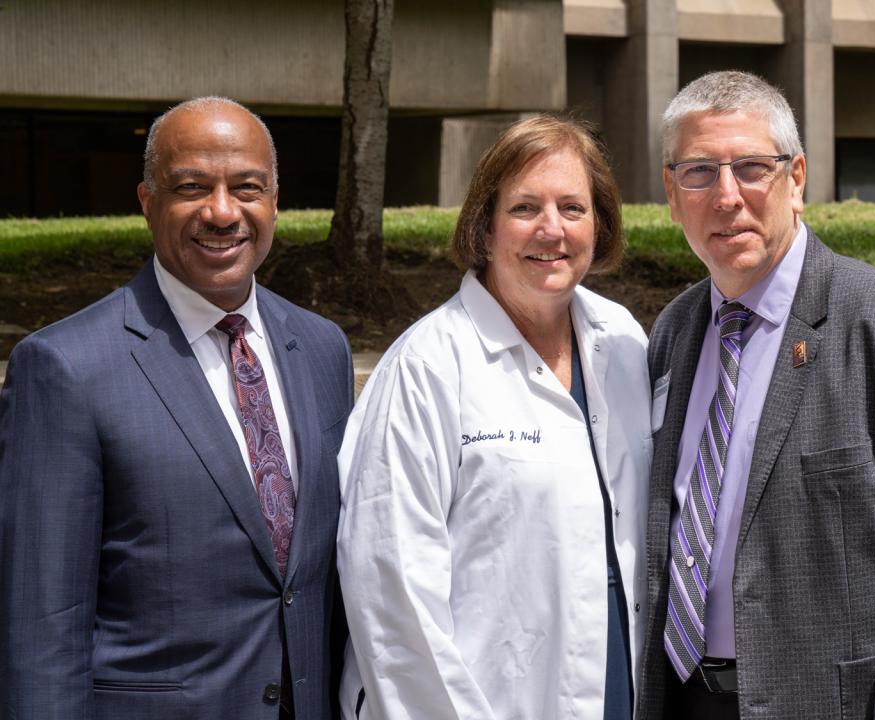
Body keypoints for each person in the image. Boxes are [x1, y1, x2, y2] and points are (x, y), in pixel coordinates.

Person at [633, 70, 875, 720]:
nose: (727, 197)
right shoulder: (674, 331)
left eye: (752, 167)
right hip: (681, 700)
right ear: (671, 192)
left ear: (797, 178)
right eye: (699, 173)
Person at [0, 97, 354, 719]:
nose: (222, 212)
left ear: (275, 199)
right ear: (146, 200)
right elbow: (41, 620)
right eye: (192, 187)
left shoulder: (322, 348)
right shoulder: (64, 368)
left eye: (247, 187)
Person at [336, 115, 650, 720]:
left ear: (600, 224)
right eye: (525, 207)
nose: (551, 229)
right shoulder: (426, 366)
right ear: (484, 224)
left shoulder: (624, 343)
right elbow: (393, 598)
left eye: (573, 208)